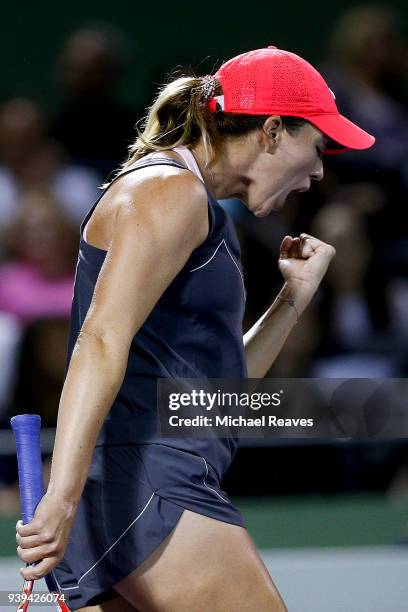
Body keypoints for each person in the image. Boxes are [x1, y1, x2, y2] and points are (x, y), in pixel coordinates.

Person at [15, 46, 374, 611]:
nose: (319, 172)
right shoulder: (170, 192)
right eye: (318, 146)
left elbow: (213, 399)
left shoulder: (190, 202)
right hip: (149, 481)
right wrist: (59, 497)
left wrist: (290, 300)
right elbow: (99, 340)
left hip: (132, 486)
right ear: (273, 131)